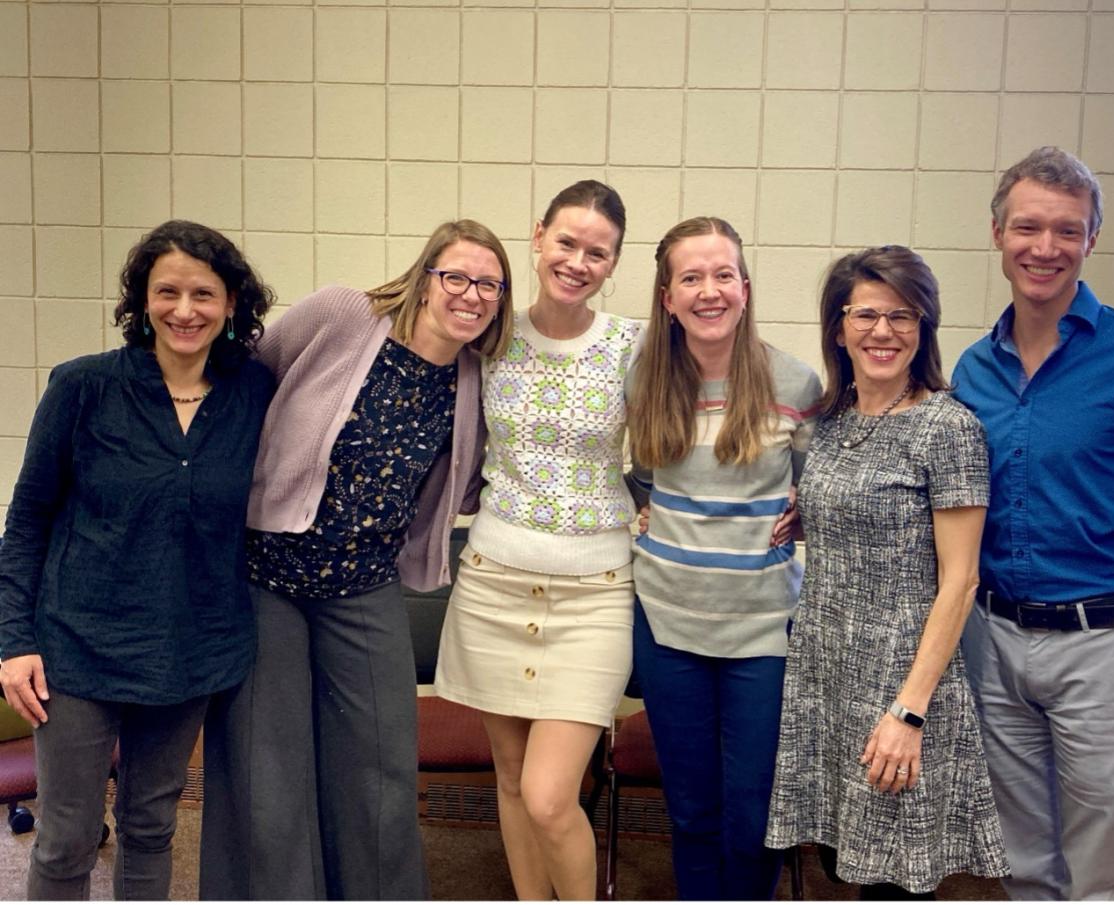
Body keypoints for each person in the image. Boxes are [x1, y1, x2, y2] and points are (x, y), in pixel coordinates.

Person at [198, 220, 514, 900]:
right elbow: (252, 374)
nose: (471, 293)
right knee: (268, 771)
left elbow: (470, 481)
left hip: (365, 585)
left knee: (380, 771)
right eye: (456, 276)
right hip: (267, 576)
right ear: (425, 275)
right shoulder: (344, 314)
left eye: (489, 283)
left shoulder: (472, 383)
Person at [0, 221, 275, 899]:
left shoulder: (254, 394)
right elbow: (27, 519)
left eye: (204, 293)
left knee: (151, 825)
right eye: (168, 291)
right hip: (76, 647)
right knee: (65, 834)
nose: (185, 310)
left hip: (191, 651)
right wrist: (14, 641)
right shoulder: (82, 387)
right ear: (141, 300)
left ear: (232, 303)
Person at [953, 147, 1114, 900]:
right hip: (995, 643)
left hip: (1105, 651)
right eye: (1028, 227)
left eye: (1068, 230)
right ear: (997, 233)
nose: (1045, 247)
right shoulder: (971, 370)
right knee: (1023, 861)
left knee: (1102, 870)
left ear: (1093, 239)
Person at [764, 245, 1009, 898]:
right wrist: (809, 513)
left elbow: (959, 580)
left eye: (902, 316)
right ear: (839, 327)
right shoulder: (833, 422)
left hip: (901, 677)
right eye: (866, 314)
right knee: (843, 861)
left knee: (896, 874)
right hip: (827, 670)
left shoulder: (948, 428)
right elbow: (871, 515)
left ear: (924, 326)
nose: (883, 331)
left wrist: (909, 710)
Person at [433, 181, 639, 900]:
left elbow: (697, 426)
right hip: (494, 580)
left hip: (595, 594)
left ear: (613, 263)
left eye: (597, 251)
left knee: (553, 794)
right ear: (538, 235)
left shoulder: (630, 346)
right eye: (567, 242)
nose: (578, 260)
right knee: (513, 780)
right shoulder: (493, 334)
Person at [625, 216, 822, 899]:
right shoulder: (642, 380)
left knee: (752, 814)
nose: (709, 290)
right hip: (668, 625)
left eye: (723, 274)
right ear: (667, 296)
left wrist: (806, 515)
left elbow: (817, 493)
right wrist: (641, 506)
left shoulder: (795, 384)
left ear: (744, 287)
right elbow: (635, 472)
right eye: (690, 277)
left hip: (763, 633)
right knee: (692, 810)